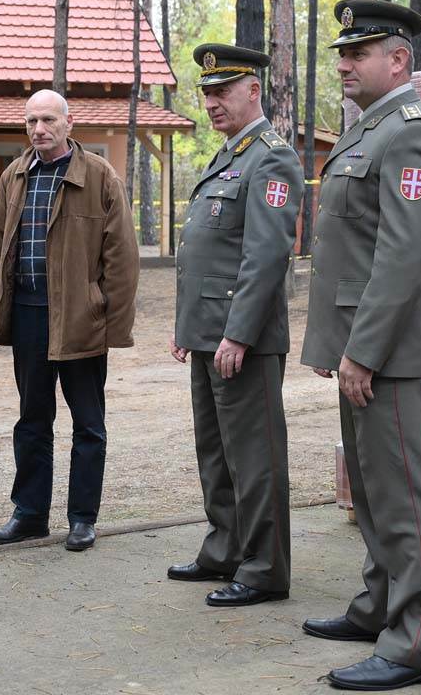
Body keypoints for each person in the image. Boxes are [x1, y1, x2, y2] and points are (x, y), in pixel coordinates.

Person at [300, 0, 421, 691]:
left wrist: (364, 350)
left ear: (398, 59)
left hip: (386, 353)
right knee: (371, 489)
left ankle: (417, 645)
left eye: (357, 53)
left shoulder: (410, 134)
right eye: (342, 53)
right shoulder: (371, 131)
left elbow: (404, 255)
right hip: (360, 345)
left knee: (406, 499)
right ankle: (380, 607)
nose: (343, 64)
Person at [166, 45, 303, 607]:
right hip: (208, 333)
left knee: (255, 456)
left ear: (254, 91)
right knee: (216, 451)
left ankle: (266, 567)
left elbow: (266, 256)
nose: (212, 102)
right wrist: (187, 327)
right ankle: (225, 547)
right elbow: (206, 252)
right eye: (206, 92)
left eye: (223, 91)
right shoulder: (228, 156)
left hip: (239, 339)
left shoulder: (271, 158)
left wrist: (238, 333)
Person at [0, 89, 139, 552]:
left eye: (48, 120)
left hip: (80, 319)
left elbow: (123, 259)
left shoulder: (98, 176)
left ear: (69, 123)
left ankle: (82, 518)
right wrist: (2, 311)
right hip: (29, 316)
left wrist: (112, 326)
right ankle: (29, 514)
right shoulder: (14, 176)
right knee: (32, 419)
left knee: (87, 423)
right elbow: (0, 252)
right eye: (31, 121)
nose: (39, 130)